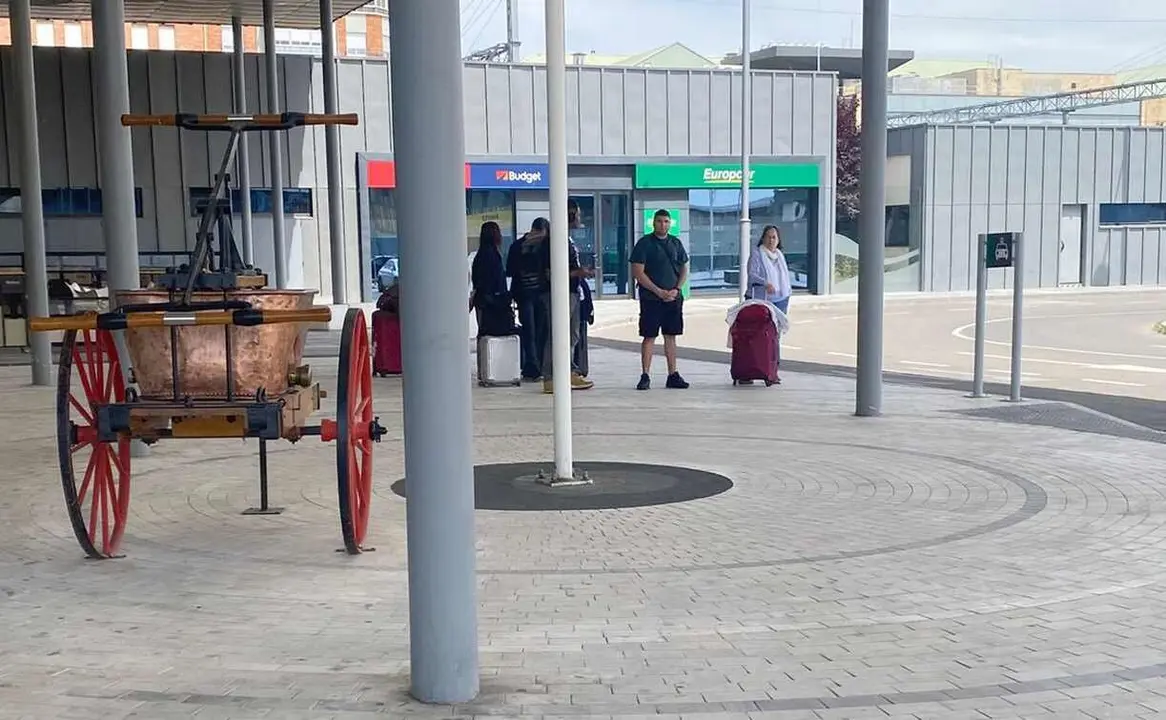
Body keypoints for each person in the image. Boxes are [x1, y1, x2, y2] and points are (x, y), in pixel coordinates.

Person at [630, 209, 690, 391]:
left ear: (670, 223)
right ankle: (645, 375)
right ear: (653, 223)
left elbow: (684, 268)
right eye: (659, 221)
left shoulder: (676, 243)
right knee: (649, 336)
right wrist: (658, 291)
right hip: (650, 299)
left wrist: (676, 289)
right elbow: (638, 272)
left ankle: (673, 374)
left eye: (666, 221)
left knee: (670, 336)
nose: (662, 225)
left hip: (673, 298)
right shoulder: (644, 244)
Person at [539, 217, 595, 394]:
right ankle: (550, 376)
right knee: (556, 334)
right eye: (577, 214)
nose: (579, 218)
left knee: (572, 334)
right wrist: (578, 272)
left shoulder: (567, 239)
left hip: (572, 291)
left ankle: (568, 371)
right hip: (557, 293)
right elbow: (550, 272)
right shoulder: (552, 242)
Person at [746, 224, 792, 384]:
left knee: (775, 337)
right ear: (763, 238)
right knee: (760, 336)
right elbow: (751, 274)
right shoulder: (757, 254)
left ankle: (773, 370)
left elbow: (784, 277)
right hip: (762, 300)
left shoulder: (779, 255)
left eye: (774, 237)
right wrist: (765, 283)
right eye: (768, 237)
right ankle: (753, 370)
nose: (771, 240)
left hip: (781, 299)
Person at [507, 218, 550, 380]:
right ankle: (532, 365)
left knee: (539, 330)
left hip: (538, 294)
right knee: (530, 330)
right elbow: (511, 269)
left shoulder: (544, 247)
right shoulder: (518, 246)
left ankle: (535, 363)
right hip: (526, 295)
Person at [470, 221, 514, 337]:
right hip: (492, 303)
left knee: (484, 331)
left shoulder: (480, 256)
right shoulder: (493, 255)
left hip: (483, 302)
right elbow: (496, 281)